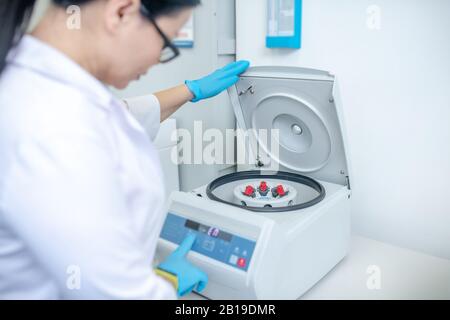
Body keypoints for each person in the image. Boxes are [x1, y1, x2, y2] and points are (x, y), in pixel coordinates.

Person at [0, 0, 249, 299]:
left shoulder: (38, 88)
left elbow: (119, 116)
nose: (159, 57)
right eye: (166, 40)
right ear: (121, 11)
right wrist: (162, 284)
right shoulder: (53, 128)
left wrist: (191, 90)